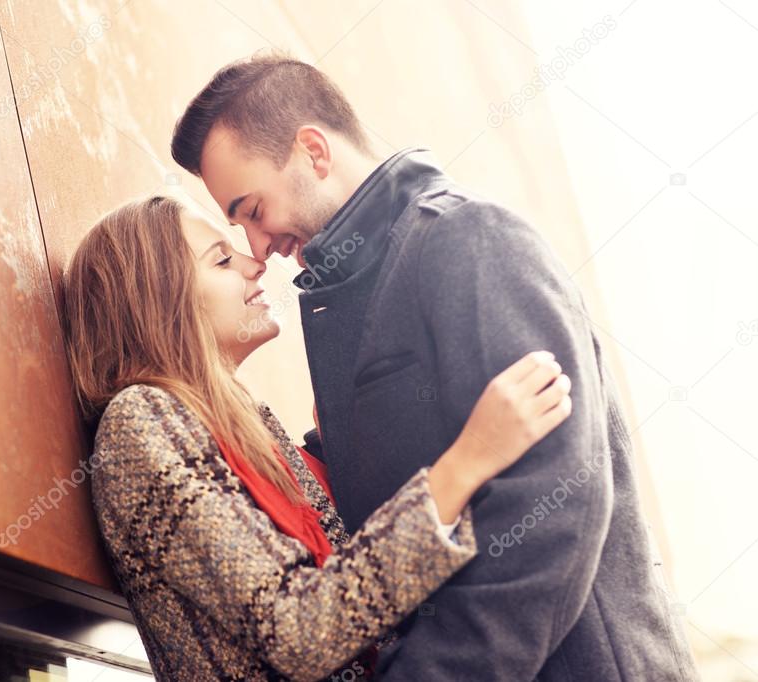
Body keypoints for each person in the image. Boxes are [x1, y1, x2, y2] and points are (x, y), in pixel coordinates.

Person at [169, 53, 699, 680]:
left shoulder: (468, 239)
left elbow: (554, 510)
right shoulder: (347, 294)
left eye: (253, 211)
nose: (258, 248)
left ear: (314, 152)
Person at [60, 195, 573, 681]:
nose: (254, 263)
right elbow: (300, 631)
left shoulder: (243, 418)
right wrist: (471, 459)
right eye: (221, 260)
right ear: (158, 301)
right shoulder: (142, 418)